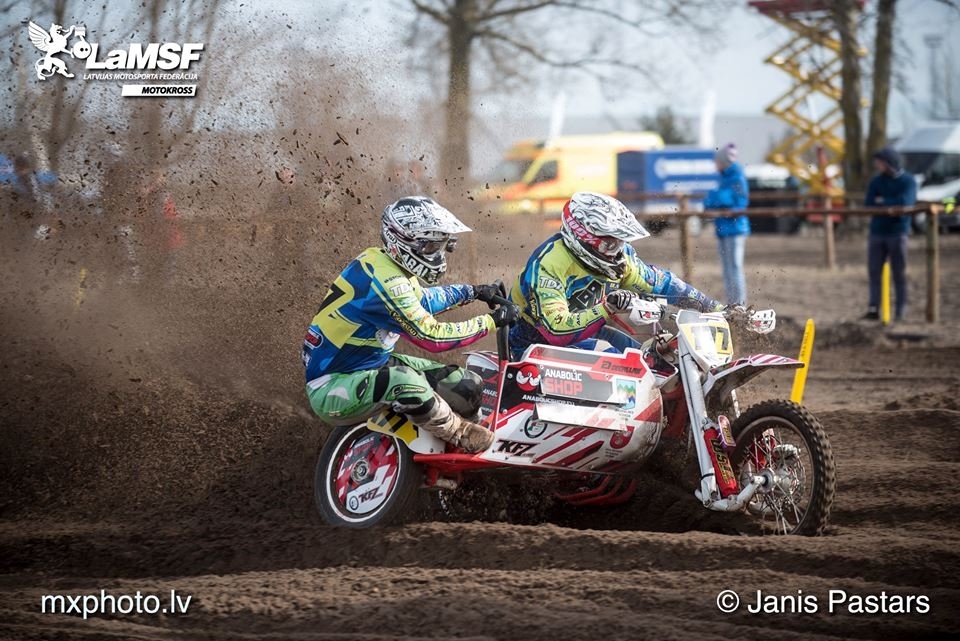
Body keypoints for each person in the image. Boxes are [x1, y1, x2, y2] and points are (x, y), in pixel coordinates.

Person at [302, 196, 520, 453]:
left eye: (441, 246)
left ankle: (469, 442)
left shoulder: (385, 264)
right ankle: (462, 435)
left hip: (372, 366)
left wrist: (472, 292)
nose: (437, 255)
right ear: (402, 241)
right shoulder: (384, 282)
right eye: (431, 247)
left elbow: (423, 300)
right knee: (405, 381)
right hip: (332, 385)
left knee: (466, 385)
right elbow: (433, 337)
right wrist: (491, 321)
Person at [508, 191, 725, 359]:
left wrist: (715, 308)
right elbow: (556, 329)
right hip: (532, 343)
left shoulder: (620, 259)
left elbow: (664, 285)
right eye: (610, 244)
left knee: (651, 360)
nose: (617, 251)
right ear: (583, 238)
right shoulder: (549, 264)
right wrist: (607, 308)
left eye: (620, 242)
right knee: (621, 365)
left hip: (585, 332)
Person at [862, 146, 917, 321]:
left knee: (899, 273)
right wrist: (891, 205)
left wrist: (883, 201)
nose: (876, 165)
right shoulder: (876, 181)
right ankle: (873, 308)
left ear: (888, 163)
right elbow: (869, 203)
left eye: (879, 162)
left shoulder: (908, 181)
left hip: (898, 232)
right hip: (877, 232)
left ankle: (900, 310)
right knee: (874, 271)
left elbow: (906, 202)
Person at [703, 143, 750, 305]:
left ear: (723, 161)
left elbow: (740, 203)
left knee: (734, 267)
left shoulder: (736, 179)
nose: (715, 164)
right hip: (724, 228)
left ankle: (740, 303)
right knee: (727, 268)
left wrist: (722, 206)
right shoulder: (725, 179)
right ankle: (732, 303)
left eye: (717, 161)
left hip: (735, 229)